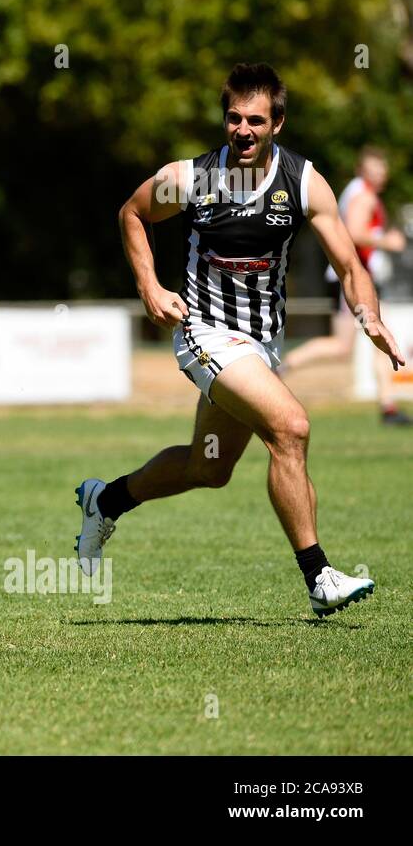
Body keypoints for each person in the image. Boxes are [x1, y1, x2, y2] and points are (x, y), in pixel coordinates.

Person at [75, 63, 401, 618]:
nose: (242, 129)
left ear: (277, 123)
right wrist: (150, 286)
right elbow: (132, 213)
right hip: (204, 333)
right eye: (233, 118)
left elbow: (348, 263)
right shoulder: (192, 177)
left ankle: (105, 499)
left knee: (210, 468)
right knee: (291, 427)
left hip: (261, 345)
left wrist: (367, 314)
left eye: (255, 119)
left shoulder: (302, 181)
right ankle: (319, 575)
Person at [283, 147, 410, 424]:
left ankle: (388, 405)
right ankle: (281, 368)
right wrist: (388, 242)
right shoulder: (363, 196)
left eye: (383, 170)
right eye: (376, 170)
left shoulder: (358, 191)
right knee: (344, 346)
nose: (382, 176)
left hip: (354, 278)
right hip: (355, 280)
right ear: (363, 171)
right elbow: (355, 232)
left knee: (375, 339)